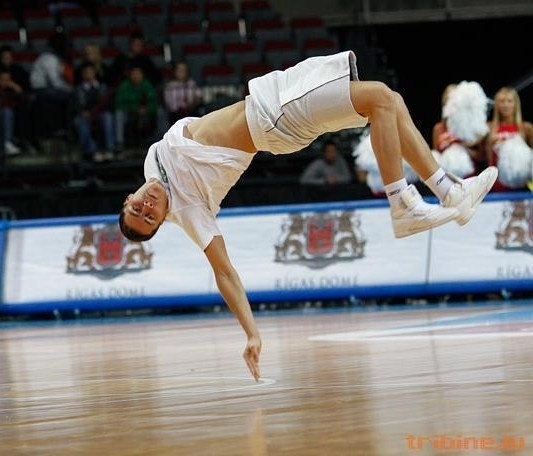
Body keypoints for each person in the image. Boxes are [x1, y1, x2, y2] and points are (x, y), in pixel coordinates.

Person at [117, 51, 498, 381]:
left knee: (391, 101)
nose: (147, 207)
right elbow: (224, 273)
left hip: (273, 99)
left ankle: (450, 192)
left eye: (137, 208)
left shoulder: (154, 162)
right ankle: (401, 203)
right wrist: (251, 333)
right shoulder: (188, 210)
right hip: (273, 119)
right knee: (380, 98)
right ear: (163, 220)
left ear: (127, 199)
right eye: (149, 218)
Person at [431, 81, 489, 178]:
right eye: (447, 97)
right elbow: (435, 157)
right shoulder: (438, 128)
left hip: (470, 177)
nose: (450, 99)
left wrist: (465, 150)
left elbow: (483, 157)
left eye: (453, 96)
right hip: (446, 179)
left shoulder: (473, 125)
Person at [486, 86, 533, 192]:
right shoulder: (489, 127)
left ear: (515, 104)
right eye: (502, 101)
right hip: (495, 185)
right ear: (497, 104)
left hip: (520, 186)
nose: (505, 105)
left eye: (509, 101)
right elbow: (479, 156)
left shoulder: (526, 128)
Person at [72, 63, 115, 162]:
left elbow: (106, 104)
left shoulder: (102, 87)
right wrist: (83, 112)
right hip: (84, 115)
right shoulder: (78, 89)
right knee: (80, 121)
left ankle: (110, 150)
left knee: (108, 117)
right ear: (83, 75)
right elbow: (75, 106)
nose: (88, 74)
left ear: (94, 73)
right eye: (86, 73)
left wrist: (95, 112)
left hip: (99, 114)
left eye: (90, 72)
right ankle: (92, 151)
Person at [114, 65, 157, 152]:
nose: (136, 76)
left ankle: (159, 142)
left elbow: (154, 102)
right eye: (134, 74)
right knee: (119, 114)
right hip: (128, 113)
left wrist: (146, 109)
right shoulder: (125, 86)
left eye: (138, 74)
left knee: (160, 112)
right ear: (130, 75)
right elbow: (118, 103)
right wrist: (134, 109)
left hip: (146, 113)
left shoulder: (147, 85)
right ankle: (120, 143)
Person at [162, 61, 203, 126]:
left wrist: (194, 102)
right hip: (176, 114)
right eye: (180, 70)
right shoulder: (170, 86)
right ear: (175, 72)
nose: (182, 72)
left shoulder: (191, 83)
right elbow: (169, 102)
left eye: (184, 70)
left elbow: (199, 96)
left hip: (191, 111)